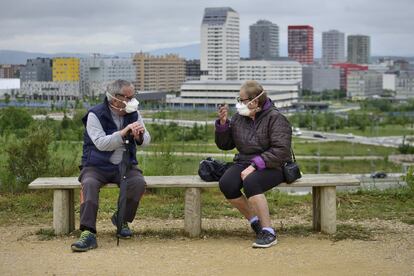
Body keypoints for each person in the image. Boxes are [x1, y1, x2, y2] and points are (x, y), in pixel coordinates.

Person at [71, 79, 151, 252]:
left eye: (133, 96)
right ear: (116, 99)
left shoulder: (134, 113)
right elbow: (101, 143)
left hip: (125, 164)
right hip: (96, 166)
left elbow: (146, 141)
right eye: (129, 97)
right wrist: (122, 133)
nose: (133, 101)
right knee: (89, 185)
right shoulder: (95, 115)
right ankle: (88, 233)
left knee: (138, 183)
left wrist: (139, 137)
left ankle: (121, 219)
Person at [215, 80, 292, 248]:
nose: (239, 103)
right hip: (244, 162)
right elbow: (225, 145)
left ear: (255, 101)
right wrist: (222, 125)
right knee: (227, 184)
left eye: (241, 100)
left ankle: (268, 231)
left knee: (251, 181)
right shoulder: (239, 118)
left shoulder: (276, 118)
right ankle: (255, 221)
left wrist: (255, 165)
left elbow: (281, 150)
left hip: (273, 165)